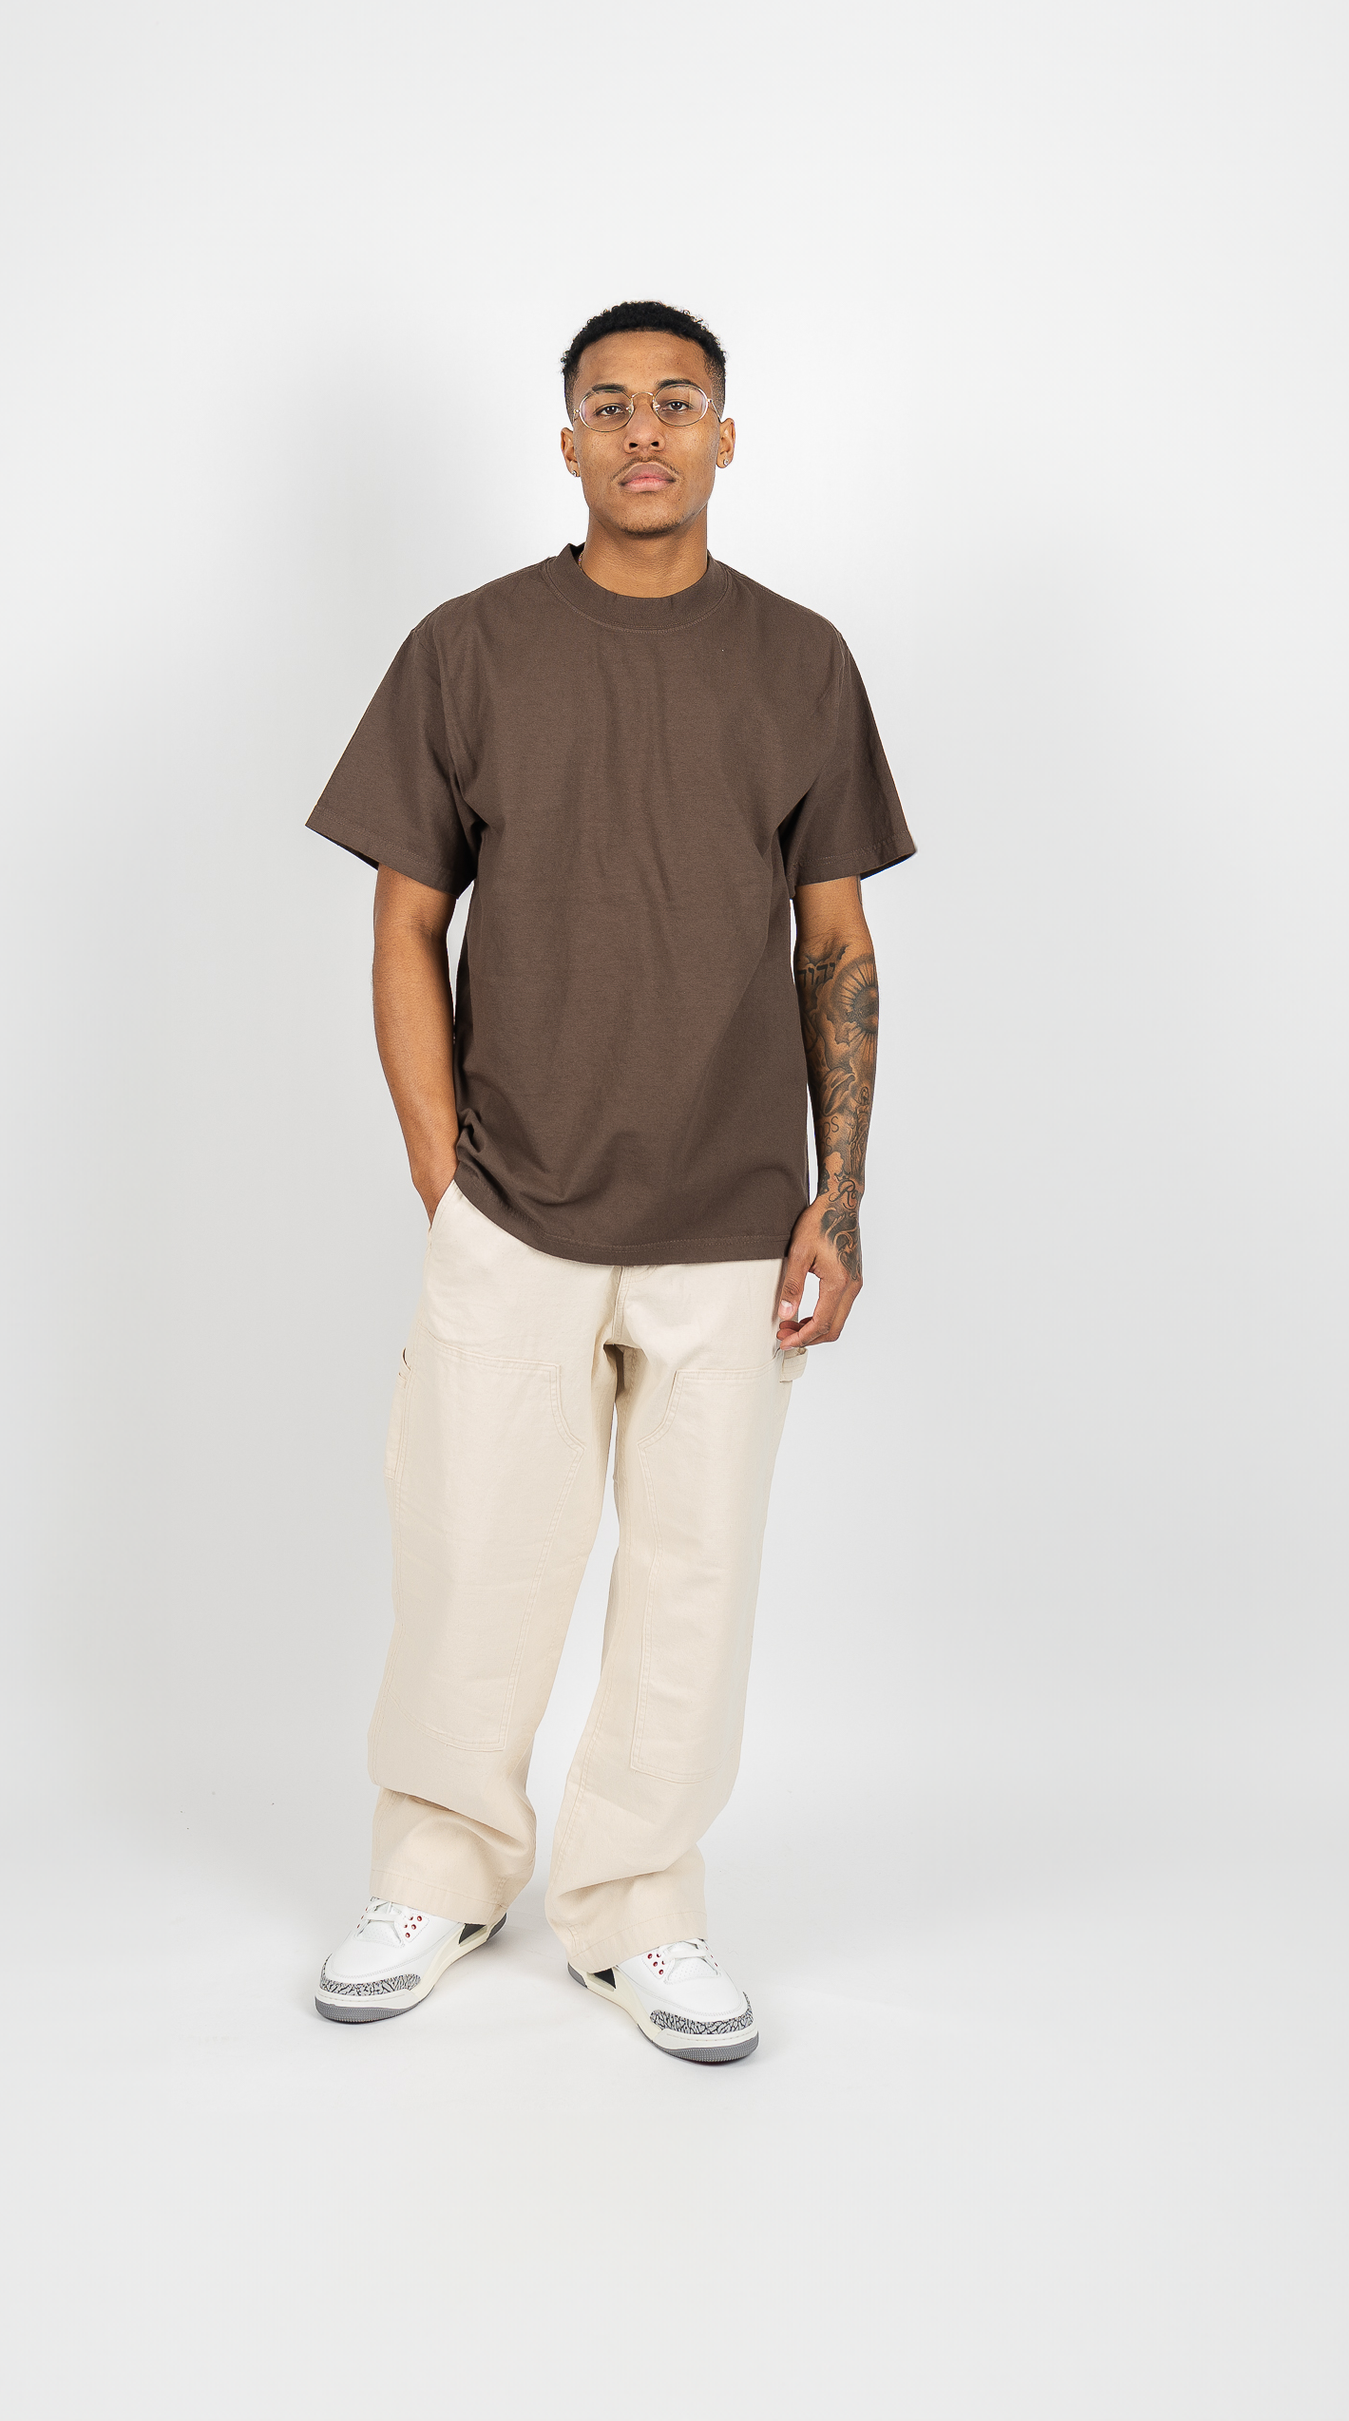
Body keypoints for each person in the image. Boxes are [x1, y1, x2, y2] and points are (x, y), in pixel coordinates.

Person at [305, 301, 914, 2062]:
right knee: (470, 1559)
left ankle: (638, 1908)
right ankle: (440, 1872)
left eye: (677, 401)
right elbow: (404, 923)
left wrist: (839, 1196)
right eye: (608, 404)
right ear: (565, 440)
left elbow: (834, 941)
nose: (643, 430)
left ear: (726, 434)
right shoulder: (469, 649)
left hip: (732, 1214)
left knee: (692, 1585)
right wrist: (442, 1174)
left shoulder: (799, 661)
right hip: (515, 1202)